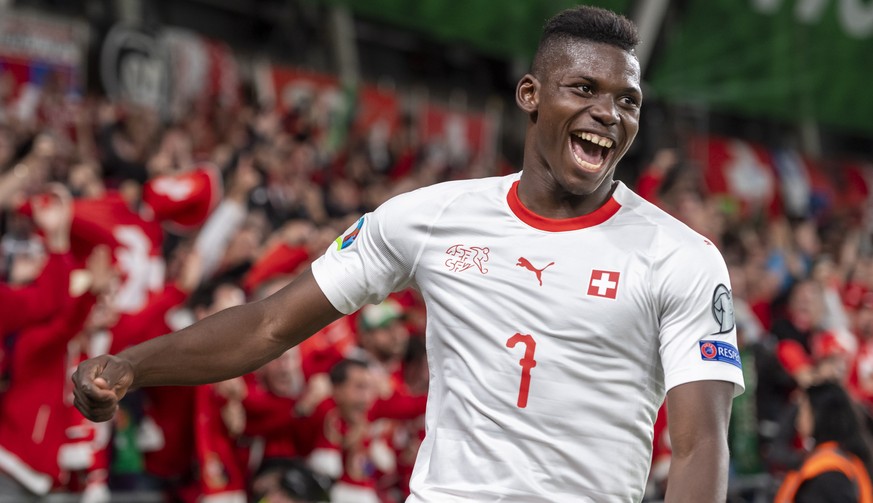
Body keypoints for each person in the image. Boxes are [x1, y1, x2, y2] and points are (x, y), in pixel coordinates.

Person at [72, 6, 744, 502]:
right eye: (584, 90)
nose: (609, 113)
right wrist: (131, 365)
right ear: (530, 96)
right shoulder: (430, 217)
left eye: (626, 100)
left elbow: (698, 443)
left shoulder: (680, 257)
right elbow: (270, 323)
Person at [774, 382, 873, 502]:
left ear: (818, 413)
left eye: (803, 410)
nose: (798, 418)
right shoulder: (835, 458)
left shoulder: (829, 471)